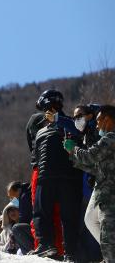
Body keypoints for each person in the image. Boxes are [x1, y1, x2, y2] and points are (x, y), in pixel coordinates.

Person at [30, 90, 83, 261]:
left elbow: (80, 130)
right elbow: (35, 156)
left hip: (64, 176)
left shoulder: (73, 122)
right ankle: (48, 247)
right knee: (43, 213)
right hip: (51, 176)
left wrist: (59, 119)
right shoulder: (39, 130)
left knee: (66, 216)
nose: (44, 113)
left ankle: (69, 253)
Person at [64, 105, 115, 263]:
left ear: (107, 120)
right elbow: (93, 167)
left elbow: (90, 156)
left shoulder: (111, 138)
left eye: (99, 121)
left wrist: (74, 149)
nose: (97, 125)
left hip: (110, 195)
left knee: (107, 234)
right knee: (91, 220)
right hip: (103, 191)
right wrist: (73, 155)